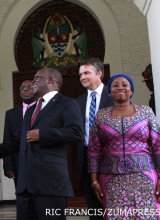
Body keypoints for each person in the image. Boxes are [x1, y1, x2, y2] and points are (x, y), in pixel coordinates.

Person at [0, 67, 84, 220]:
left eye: (36, 78)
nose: (33, 82)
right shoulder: (31, 110)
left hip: (50, 185)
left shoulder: (67, 104)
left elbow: (76, 133)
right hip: (25, 186)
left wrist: (43, 134)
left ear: (50, 79)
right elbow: (16, 141)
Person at [88, 73, 160, 218]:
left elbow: (158, 145)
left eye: (125, 85)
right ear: (110, 91)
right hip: (111, 178)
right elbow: (94, 150)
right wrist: (94, 180)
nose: (120, 87)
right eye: (115, 85)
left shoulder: (146, 112)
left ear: (131, 90)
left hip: (144, 176)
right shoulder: (100, 116)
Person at [76, 57, 113, 218]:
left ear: (99, 73)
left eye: (86, 73)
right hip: (86, 159)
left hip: (111, 159)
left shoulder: (114, 97)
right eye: (80, 74)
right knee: (94, 210)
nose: (82, 77)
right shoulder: (77, 102)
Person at [3, 79, 36, 187]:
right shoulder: (11, 114)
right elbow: (7, 139)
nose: (26, 89)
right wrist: (8, 165)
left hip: (40, 163)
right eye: (22, 87)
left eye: (29, 87)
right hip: (18, 164)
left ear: (36, 89)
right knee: (22, 199)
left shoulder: (43, 109)